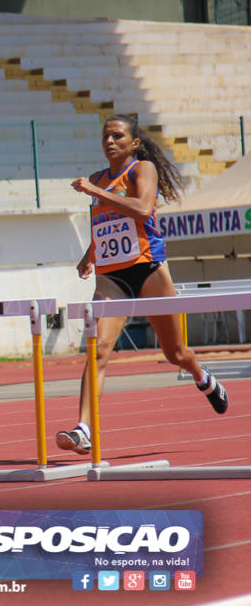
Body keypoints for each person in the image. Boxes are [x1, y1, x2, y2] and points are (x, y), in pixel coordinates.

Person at [56, 114, 228, 456]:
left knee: (174, 353)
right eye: (105, 136)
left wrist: (95, 191)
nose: (109, 141)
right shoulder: (96, 179)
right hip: (111, 275)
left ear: (134, 143)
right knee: (98, 349)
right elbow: (105, 221)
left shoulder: (140, 170)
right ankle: (84, 430)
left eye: (117, 136)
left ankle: (201, 375)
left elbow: (142, 208)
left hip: (147, 267)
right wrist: (89, 254)